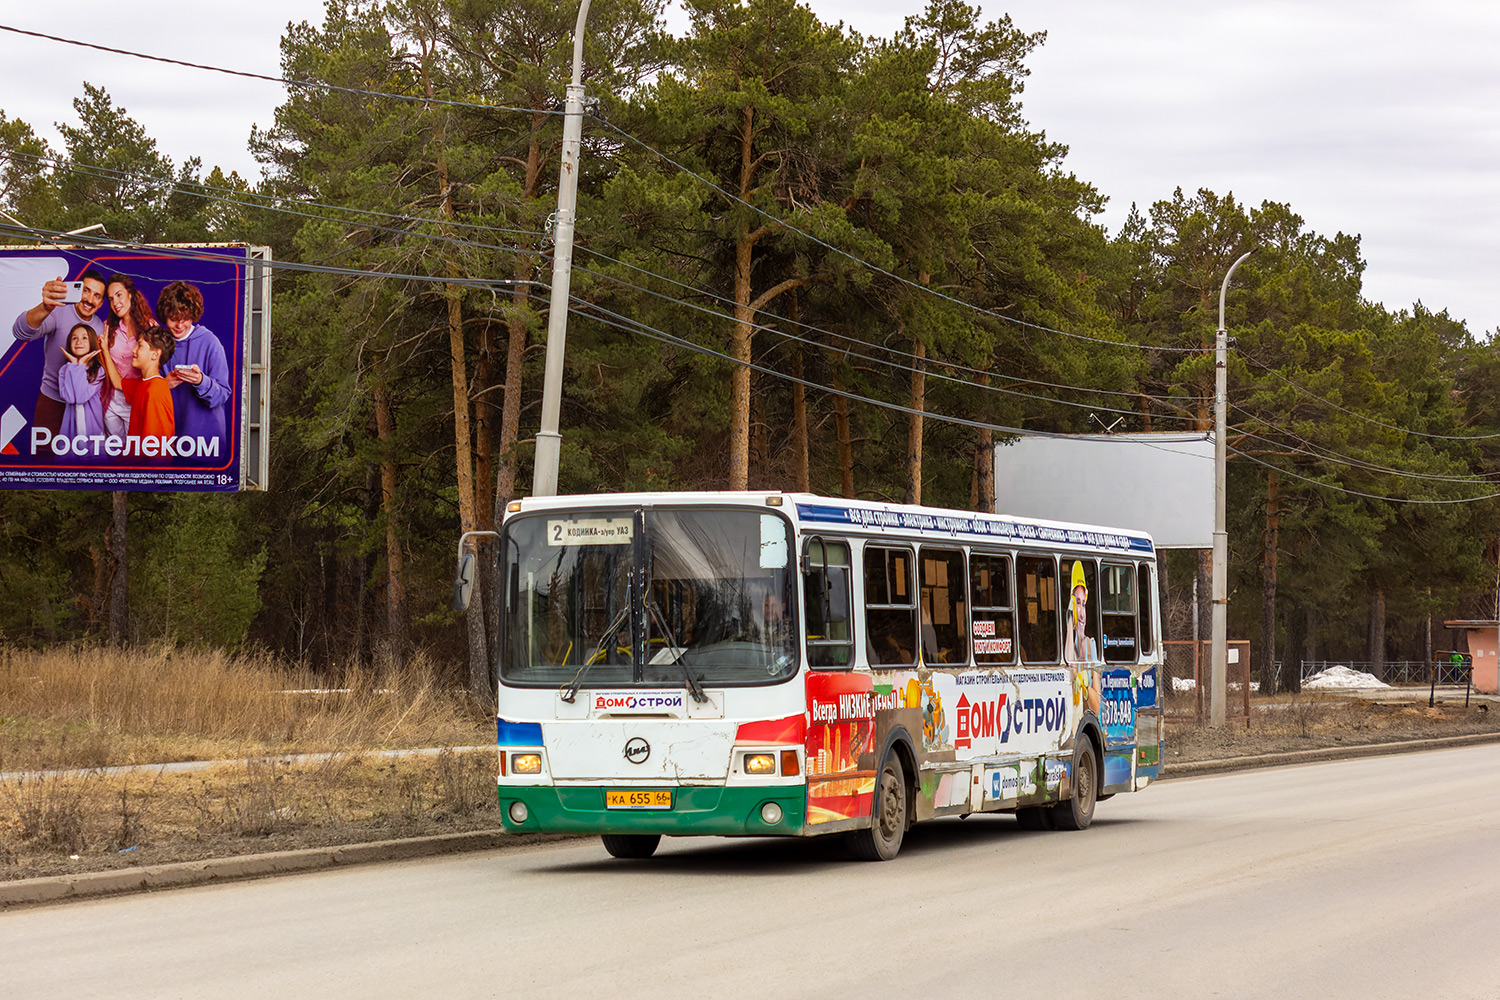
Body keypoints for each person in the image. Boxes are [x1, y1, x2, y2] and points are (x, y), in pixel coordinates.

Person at [10, 270, 107, 436]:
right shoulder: (57, 313)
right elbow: (21, 333)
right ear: (77, 291)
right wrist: (45, 307)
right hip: (52, 402)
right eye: (86, 291)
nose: (90, 300)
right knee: (44, 457)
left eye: (97, 296)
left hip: (85, 406)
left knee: (83, 457)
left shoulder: (100, 327)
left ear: (101, 303)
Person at [156, 281, 229, 449]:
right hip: (169, 444)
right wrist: (162, 385)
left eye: (185, 319)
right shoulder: (158, 344)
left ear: (193, 315)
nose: (180, 325)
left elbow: (222, 395)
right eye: (173, 319)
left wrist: (201, 381)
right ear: (164, 315)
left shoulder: (211, 342)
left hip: (206, 445)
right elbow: (146, 395)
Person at [99, 324, 175, 447]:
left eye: (139, 346)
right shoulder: (144, 383)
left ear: (155, 355)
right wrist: (105, 351)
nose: (133, 350)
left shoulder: (155, 391)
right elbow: (118, 383)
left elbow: (157, 449)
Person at [100, 274, 156, 439]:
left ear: (130, 294)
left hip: (136, 400)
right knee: (114, 454)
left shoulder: (150, 327)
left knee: (134, 455)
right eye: (110, 299)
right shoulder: (107, 329)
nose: (115, 303)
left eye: (119, 295)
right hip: (111, 402)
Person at [56, 323, 105, 441]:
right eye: (74, 338)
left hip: (92, 430)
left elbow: (81, 397)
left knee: (92, 457)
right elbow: (70, 398)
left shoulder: (98, 370)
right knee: (69, 457)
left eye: (84, 338)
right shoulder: (65, 369)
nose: (78, 342)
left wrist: (80, 366)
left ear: (92, 342)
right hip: (70, 430)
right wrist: (74, 366)